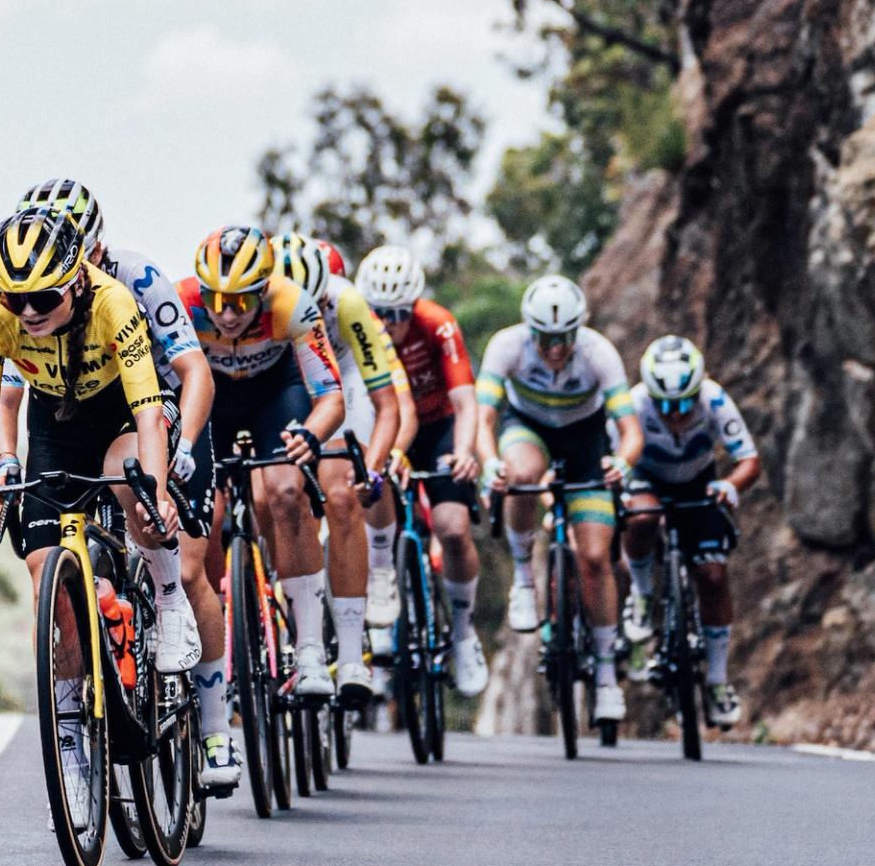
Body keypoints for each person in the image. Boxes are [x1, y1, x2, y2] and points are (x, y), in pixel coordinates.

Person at [0, 180, 244, 789]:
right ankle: (82, 700)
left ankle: (213, 730)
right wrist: (5, 462)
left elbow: (193, 372)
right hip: (73, 415)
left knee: (185, 567)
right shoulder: (32, 300)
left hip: (156, 409)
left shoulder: (138, 279)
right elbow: (6, 398)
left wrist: (183, 451)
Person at [0, 207, 177, 830]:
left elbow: (151, 414)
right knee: (49, 583)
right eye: (14, 296)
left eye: (43, 296)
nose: (27, 312)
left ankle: (169, 594)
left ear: (77, 278)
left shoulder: (112, 304)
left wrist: (156, 494)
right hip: (54, 428)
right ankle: (73, 747)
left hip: (124, 418)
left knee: (132, 482)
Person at [177, 226, 346, 696]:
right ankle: (211, 633)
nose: (227, 314)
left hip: (276, 393)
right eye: (216, 299)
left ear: (264, 288)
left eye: (241, 302)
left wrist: (312, 435)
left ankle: (309, 649)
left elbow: (332, 396)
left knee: (287, 493)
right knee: (203, 515)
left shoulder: (291, 303)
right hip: (211, 397)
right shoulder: (181, 302)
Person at [475, 275, 642, 723]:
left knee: (594, 559)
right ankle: (525, 578)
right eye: (545, 338)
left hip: (586, 438)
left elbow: (630, 431)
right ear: (530, 330)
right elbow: (483, 417)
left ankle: (606, 675)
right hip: (527, 426)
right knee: (523, 475)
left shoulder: (598, 352)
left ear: (578, 330)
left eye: (564, 338)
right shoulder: (507, 346)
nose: (554, 348)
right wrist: (491, 462)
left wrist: (623, 463)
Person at [272, 232, 416, 705]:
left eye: (313, 309)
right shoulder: (257, 305)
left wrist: (372, 470)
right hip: (285, 377)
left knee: (342, 493)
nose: (306, 320)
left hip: (344, 376)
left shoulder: (349, 303)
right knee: (269, 494)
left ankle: (352, 655)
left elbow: (387, 405)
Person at [354, 245, 488, 696]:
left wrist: (466, 451)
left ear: (414, 306)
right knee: (375, 498)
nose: (388, 325)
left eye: (398, 313)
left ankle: (464, 632)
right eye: (378, 313)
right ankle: (384, 620)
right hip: (385, 426)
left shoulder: (437, 323)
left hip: (439, 429)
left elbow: (467, 402)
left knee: (452, 528)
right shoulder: (356, 329)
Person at [619, 336, 761, 727]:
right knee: (642, 518)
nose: (675, 413)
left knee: (714, 577)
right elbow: (612, 462)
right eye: (665, 405)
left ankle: (716, 682)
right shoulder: (633, 405)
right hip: (648, 480)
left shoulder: (714, 400)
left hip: (700, 484)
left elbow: (749, 459)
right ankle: (644, 595)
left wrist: (732, 484)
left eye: (684, 403)